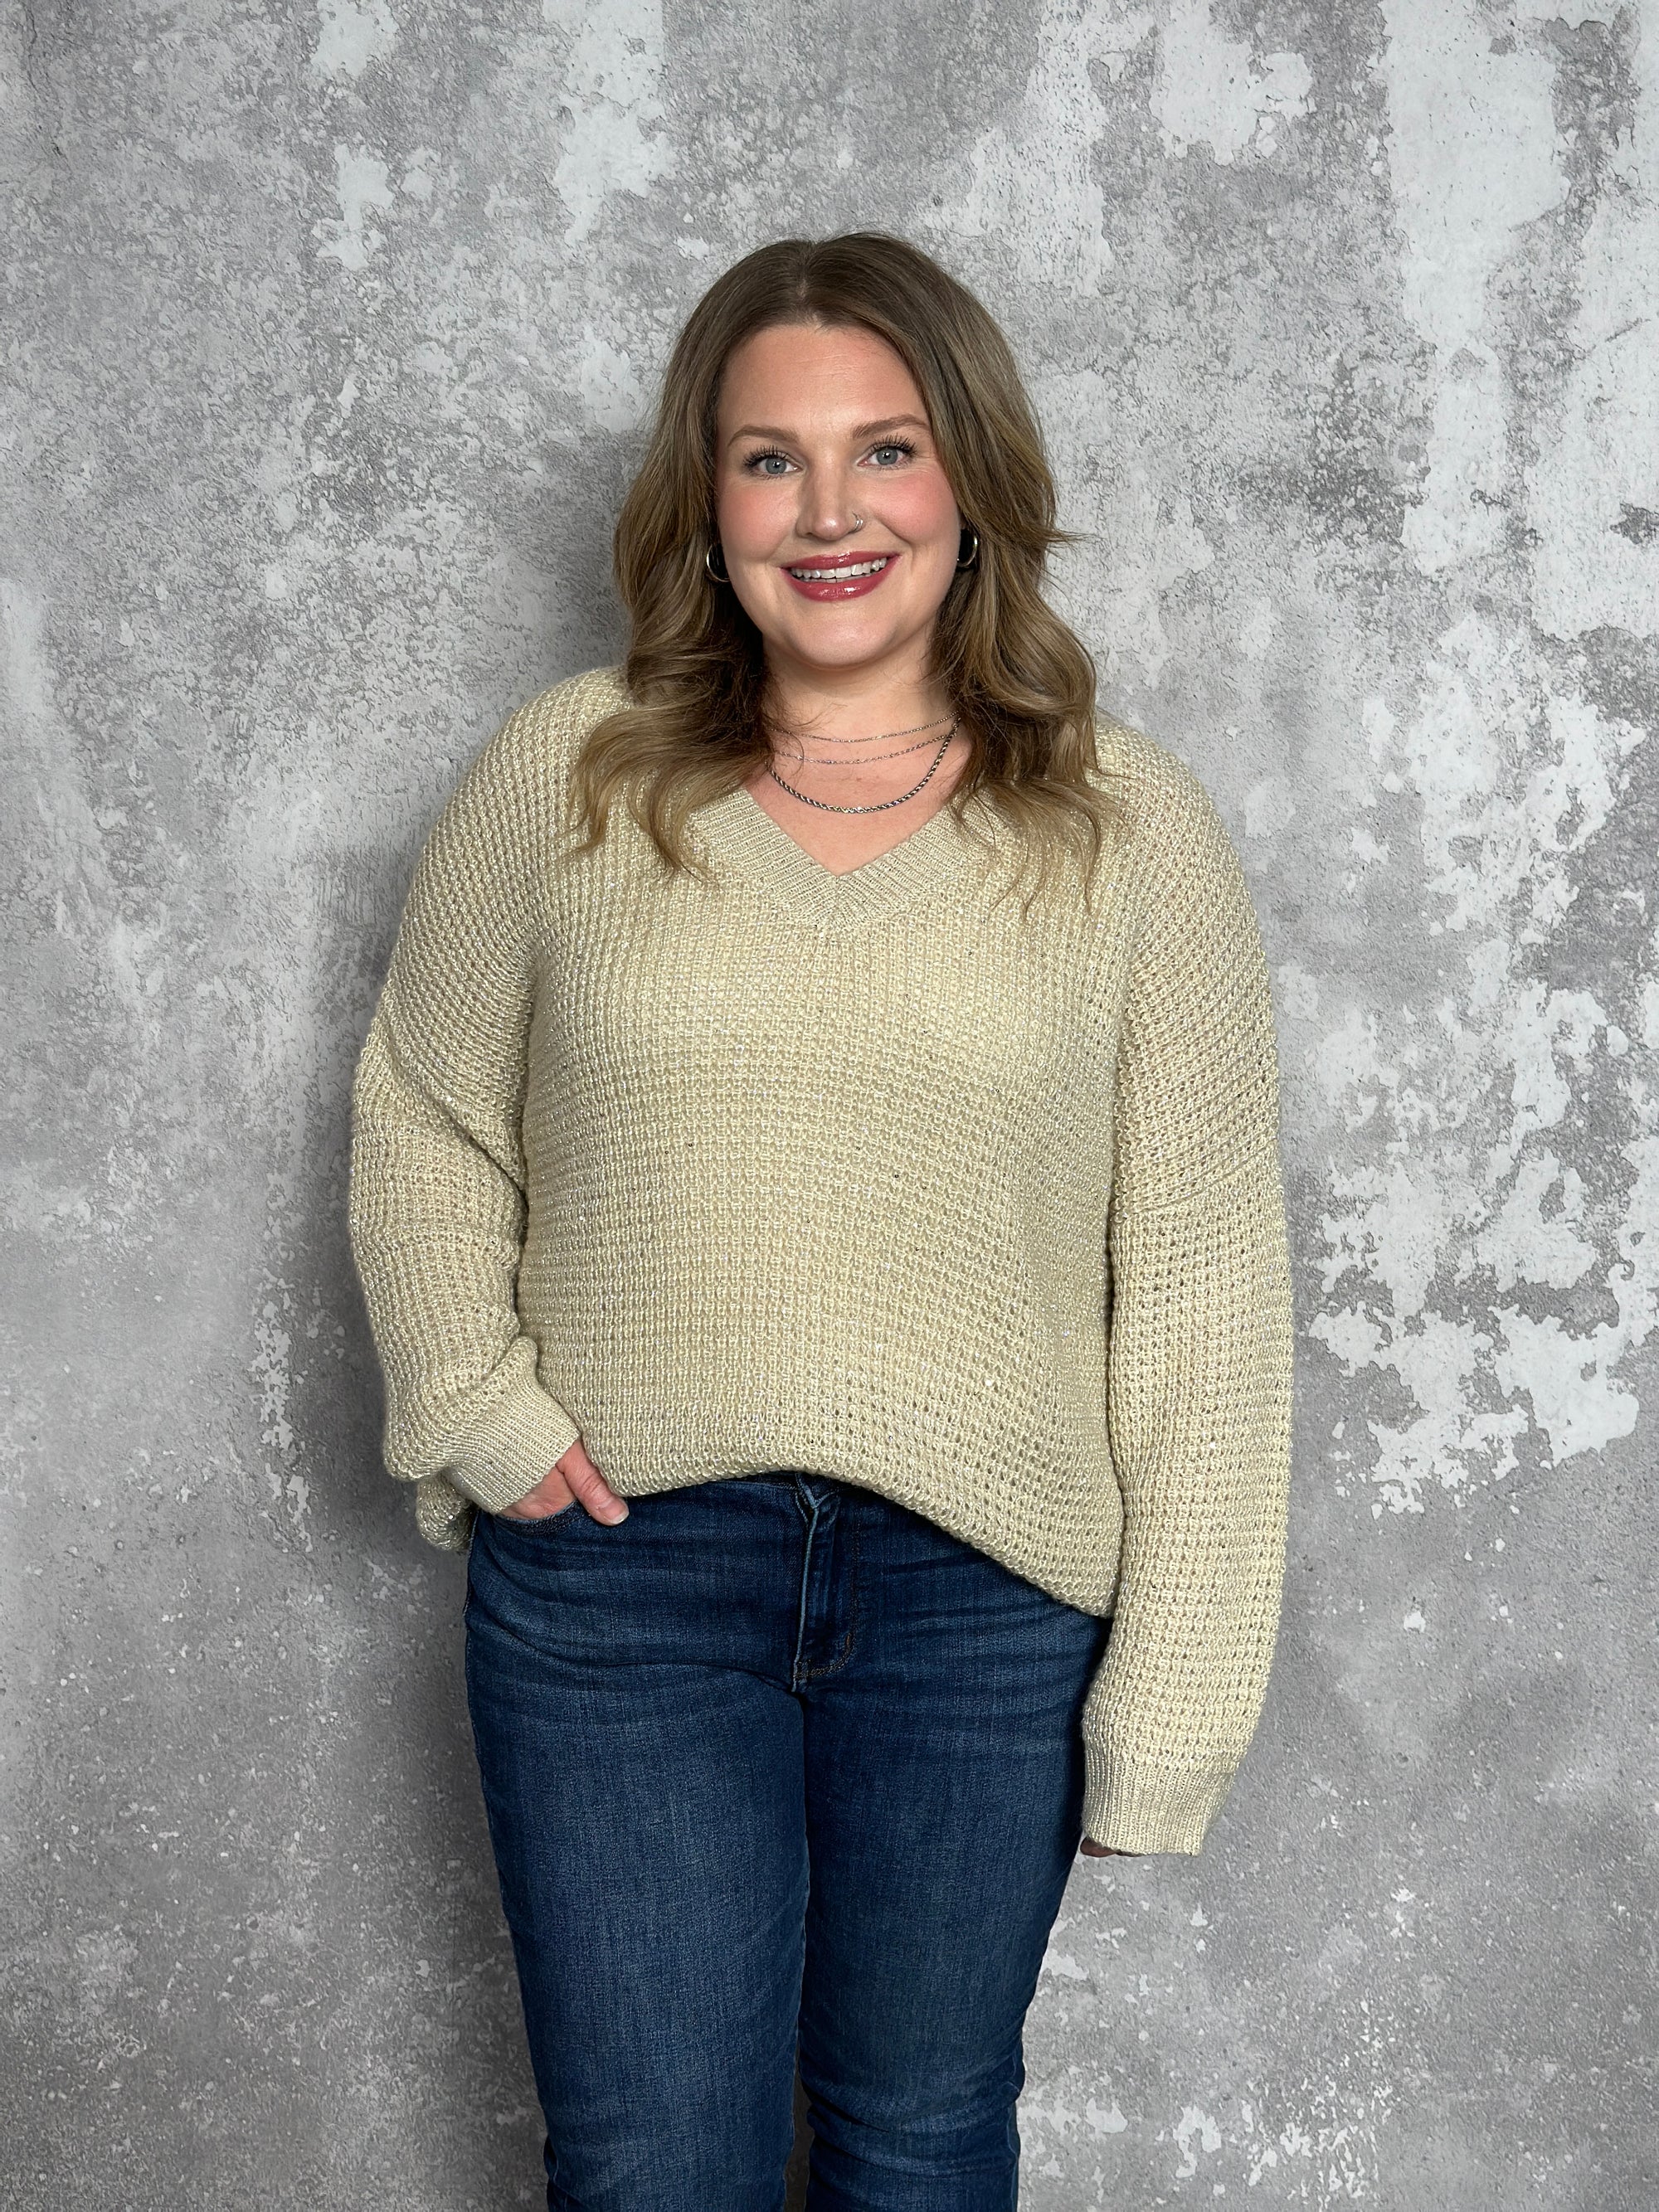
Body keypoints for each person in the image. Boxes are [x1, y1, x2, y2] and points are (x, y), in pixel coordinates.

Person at [347, 231, 1294, 2212]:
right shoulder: (567, 775)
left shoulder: (1129, 830)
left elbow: (1204, 1282)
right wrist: (482, 1410)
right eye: (770, 457)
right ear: (706, 503)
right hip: (622, 1588)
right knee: (651, 2164)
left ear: (972, 480)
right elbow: (428, 1112)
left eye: (886, 448)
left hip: (984, 1599)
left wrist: (1175, 1703)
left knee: (916, 2146)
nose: (830, 511)